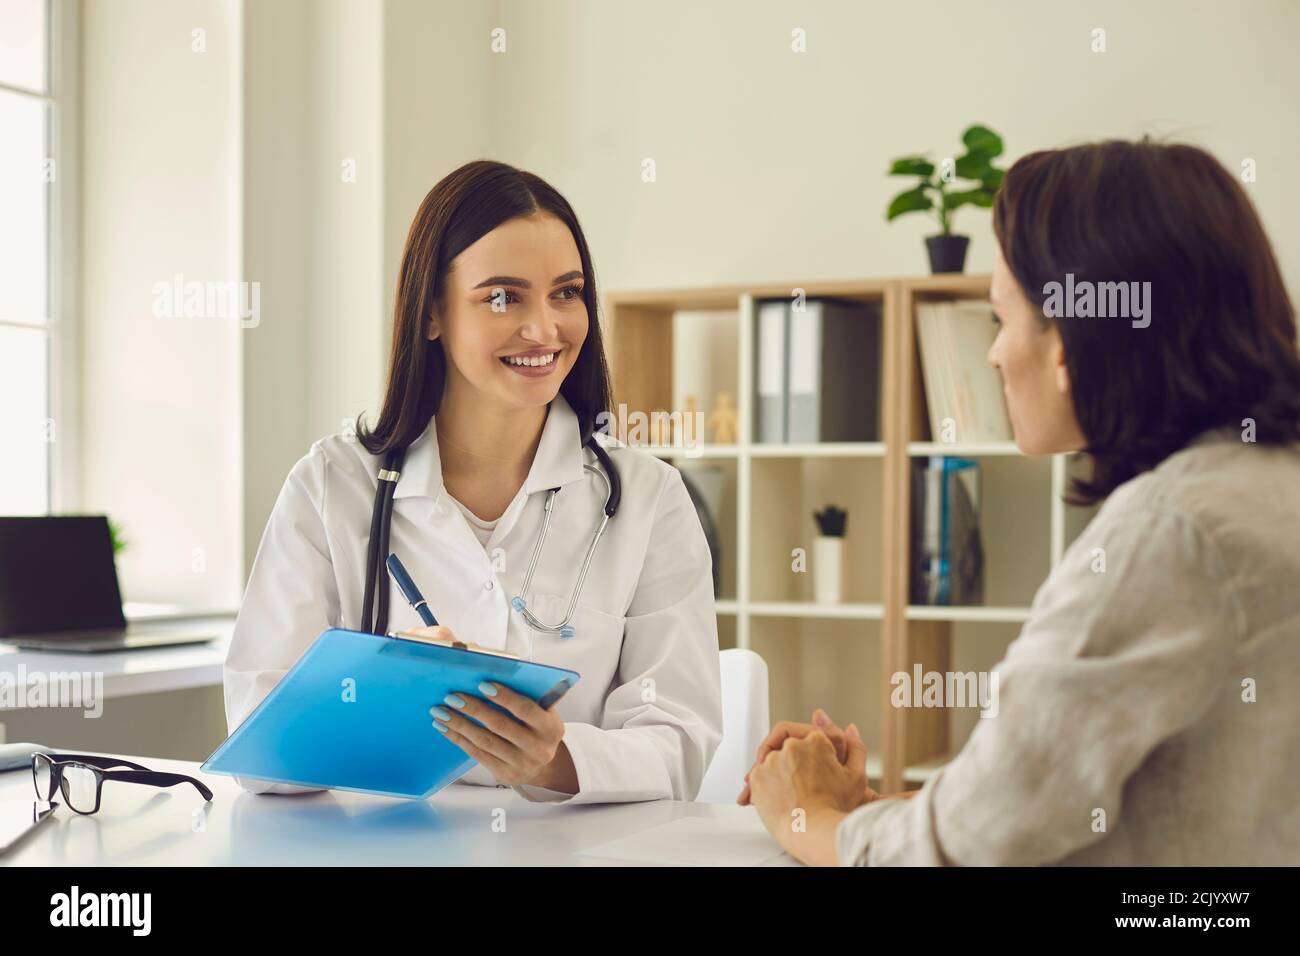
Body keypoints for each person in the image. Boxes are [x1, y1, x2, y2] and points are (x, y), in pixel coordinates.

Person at [744, 139, 1300, 865]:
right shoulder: (1263, 488)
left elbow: (955, 858)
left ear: (1067, 341)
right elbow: (1060, 807)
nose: (995, 354)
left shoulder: (1167, 536)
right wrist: (868, 811)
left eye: (1001, 319)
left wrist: (802, 814)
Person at [224, 160, 722, 804]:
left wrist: (553, 758)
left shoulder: (647, 498)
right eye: (502, 296)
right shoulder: (332, 485)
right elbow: (259, 758)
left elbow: (681, 742)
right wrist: (381, 690)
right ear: (431, 313)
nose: (544, 329)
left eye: (566, 293)